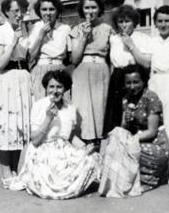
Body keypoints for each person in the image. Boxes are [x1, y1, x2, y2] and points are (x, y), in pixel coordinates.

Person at [8, 70, 101, 199]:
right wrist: (48, 118)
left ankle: (71, 186)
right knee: (49, 179)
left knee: (92, 158)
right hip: (42, 149)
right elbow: (35, 140)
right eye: (51, 86)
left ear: (65, 89)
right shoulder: (39, 106)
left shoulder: (70, 108)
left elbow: (70, 136)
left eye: (59, 87)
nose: (55, 90)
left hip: (64, 150)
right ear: (46, 88)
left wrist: (85, 147)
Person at [129, 5, 169, 185]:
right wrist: (131, 46)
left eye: (167, 20)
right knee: (155, 124)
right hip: (156, 83)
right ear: (155, 23)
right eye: (160, 21)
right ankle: (157, 165)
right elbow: (145, 62)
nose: (163, 24)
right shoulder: (152, 41)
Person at [99, 64, 169, 197]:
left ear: (143, 81)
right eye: (128, 83)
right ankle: (120, 180)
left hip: (155, 145)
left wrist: (130, 140)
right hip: (137, 141)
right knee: (115, 139)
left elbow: (152, 131)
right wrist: (126, 121)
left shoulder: (151, 97)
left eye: (136, 82)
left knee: (125, 148)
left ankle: (151, 177)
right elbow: (124, 129)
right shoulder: (126, 99)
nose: (132, 86)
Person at [0, 0, 32, 189]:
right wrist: (13, 41)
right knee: (6, 126)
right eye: (15, 11)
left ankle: (14, 171)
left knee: (19, 127)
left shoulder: (25, 31)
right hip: (8, 80)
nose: (19, 14)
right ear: (6, 12)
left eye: (21, 10)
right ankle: (6, 174)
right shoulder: (0, 32)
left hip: (23, 79)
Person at [69, 0, 114, 150]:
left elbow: (112, 57)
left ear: (100, 9)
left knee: (100, 112)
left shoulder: (108, 29)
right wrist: (83, 37)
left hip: (101, 73)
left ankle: (99, 153)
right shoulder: (76, 29)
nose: (90, 11)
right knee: (84, 114)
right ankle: (84, 153)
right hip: (82, 72)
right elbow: (74, 59)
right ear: (82, 10)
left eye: (93, 7)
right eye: (86, 7)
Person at [103, 5, 152, 136]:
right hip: (118, 79)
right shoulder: (113, 39)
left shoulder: (143, 38)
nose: (124, 25)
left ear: (134, 22)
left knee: (134, 113)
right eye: (120, 21)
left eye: (127, 21)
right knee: (116, 113)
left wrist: (130, 44)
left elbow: (146, 63)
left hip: (135, 78)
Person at [28, 0, 71, 102]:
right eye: (44, 9)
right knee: (41, 107)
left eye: (51, 9)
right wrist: (41, 36)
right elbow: (31, 58)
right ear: (39, 11)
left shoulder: (65, 29)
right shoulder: (35, 28)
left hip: (59, 70)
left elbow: (70, 57)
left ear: (57, 11)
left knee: (62, 109)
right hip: (40, 70)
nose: (48, 13)